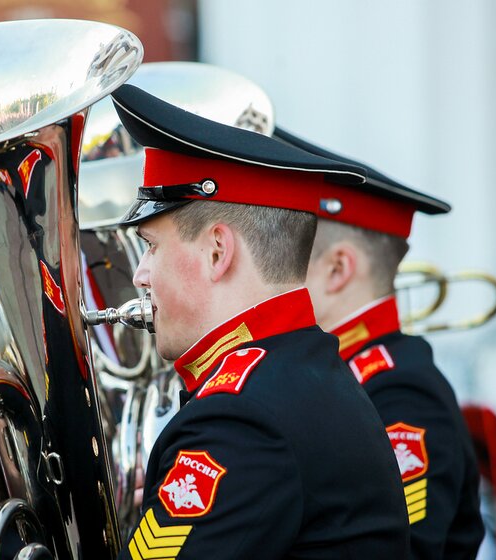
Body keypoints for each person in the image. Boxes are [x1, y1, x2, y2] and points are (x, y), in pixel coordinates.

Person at [110, 85, 410, 559]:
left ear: (217, 251)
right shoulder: (296, 374)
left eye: (151, 246)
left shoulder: (242, 418)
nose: (140, 274)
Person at [274, 126, 485, 558]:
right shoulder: (342, 376)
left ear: (338, 269)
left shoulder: (400, 392)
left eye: (288, 260)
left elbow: (403, 548)